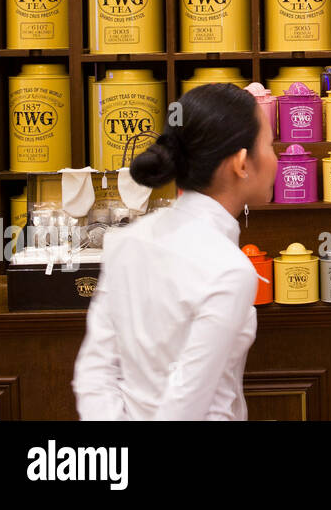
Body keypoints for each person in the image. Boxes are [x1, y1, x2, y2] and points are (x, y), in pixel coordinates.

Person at [73, 83, 278, 420]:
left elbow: (95, 372)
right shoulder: (229, 269)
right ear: (242, 163)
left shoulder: (127, 241)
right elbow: (186, 401)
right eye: (269, 145)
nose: (276, 158)